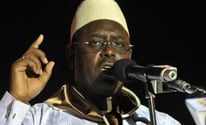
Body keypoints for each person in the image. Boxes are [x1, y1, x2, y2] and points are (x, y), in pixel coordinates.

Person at [0, 0, 182, 124]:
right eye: (95, 42)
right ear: (72, 56)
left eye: (119, 44)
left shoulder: (158, 120)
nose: (110, 51)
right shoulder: (39, 118)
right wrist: (18, 99)